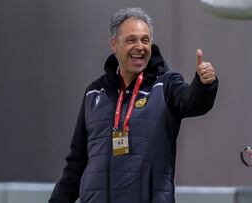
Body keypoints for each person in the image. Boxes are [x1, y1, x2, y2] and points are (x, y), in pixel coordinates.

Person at [49, 7, 218, 203]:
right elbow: (76, 162)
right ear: (114, 44)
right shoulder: (94, 93)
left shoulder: (166, 85)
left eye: (145, 40)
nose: (140, 46)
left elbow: (192, 102)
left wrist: (204, 84)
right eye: (131, 40)